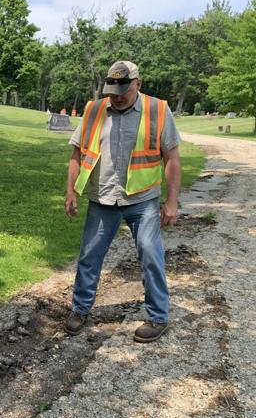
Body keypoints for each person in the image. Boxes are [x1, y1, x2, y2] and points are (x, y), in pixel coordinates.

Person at [64, 61, 181, 343]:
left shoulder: (158, 110)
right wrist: (70, 191)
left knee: (151, 256)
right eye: (112, 91)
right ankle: (80, 310)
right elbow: (77, 155)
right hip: (103, 197)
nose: (116, 97)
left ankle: (158, 317)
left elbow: (172, 158)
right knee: (89, 256)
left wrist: (172, 201)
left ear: (138, 84)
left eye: (123, 92)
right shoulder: (94, 110)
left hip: (143, 200)